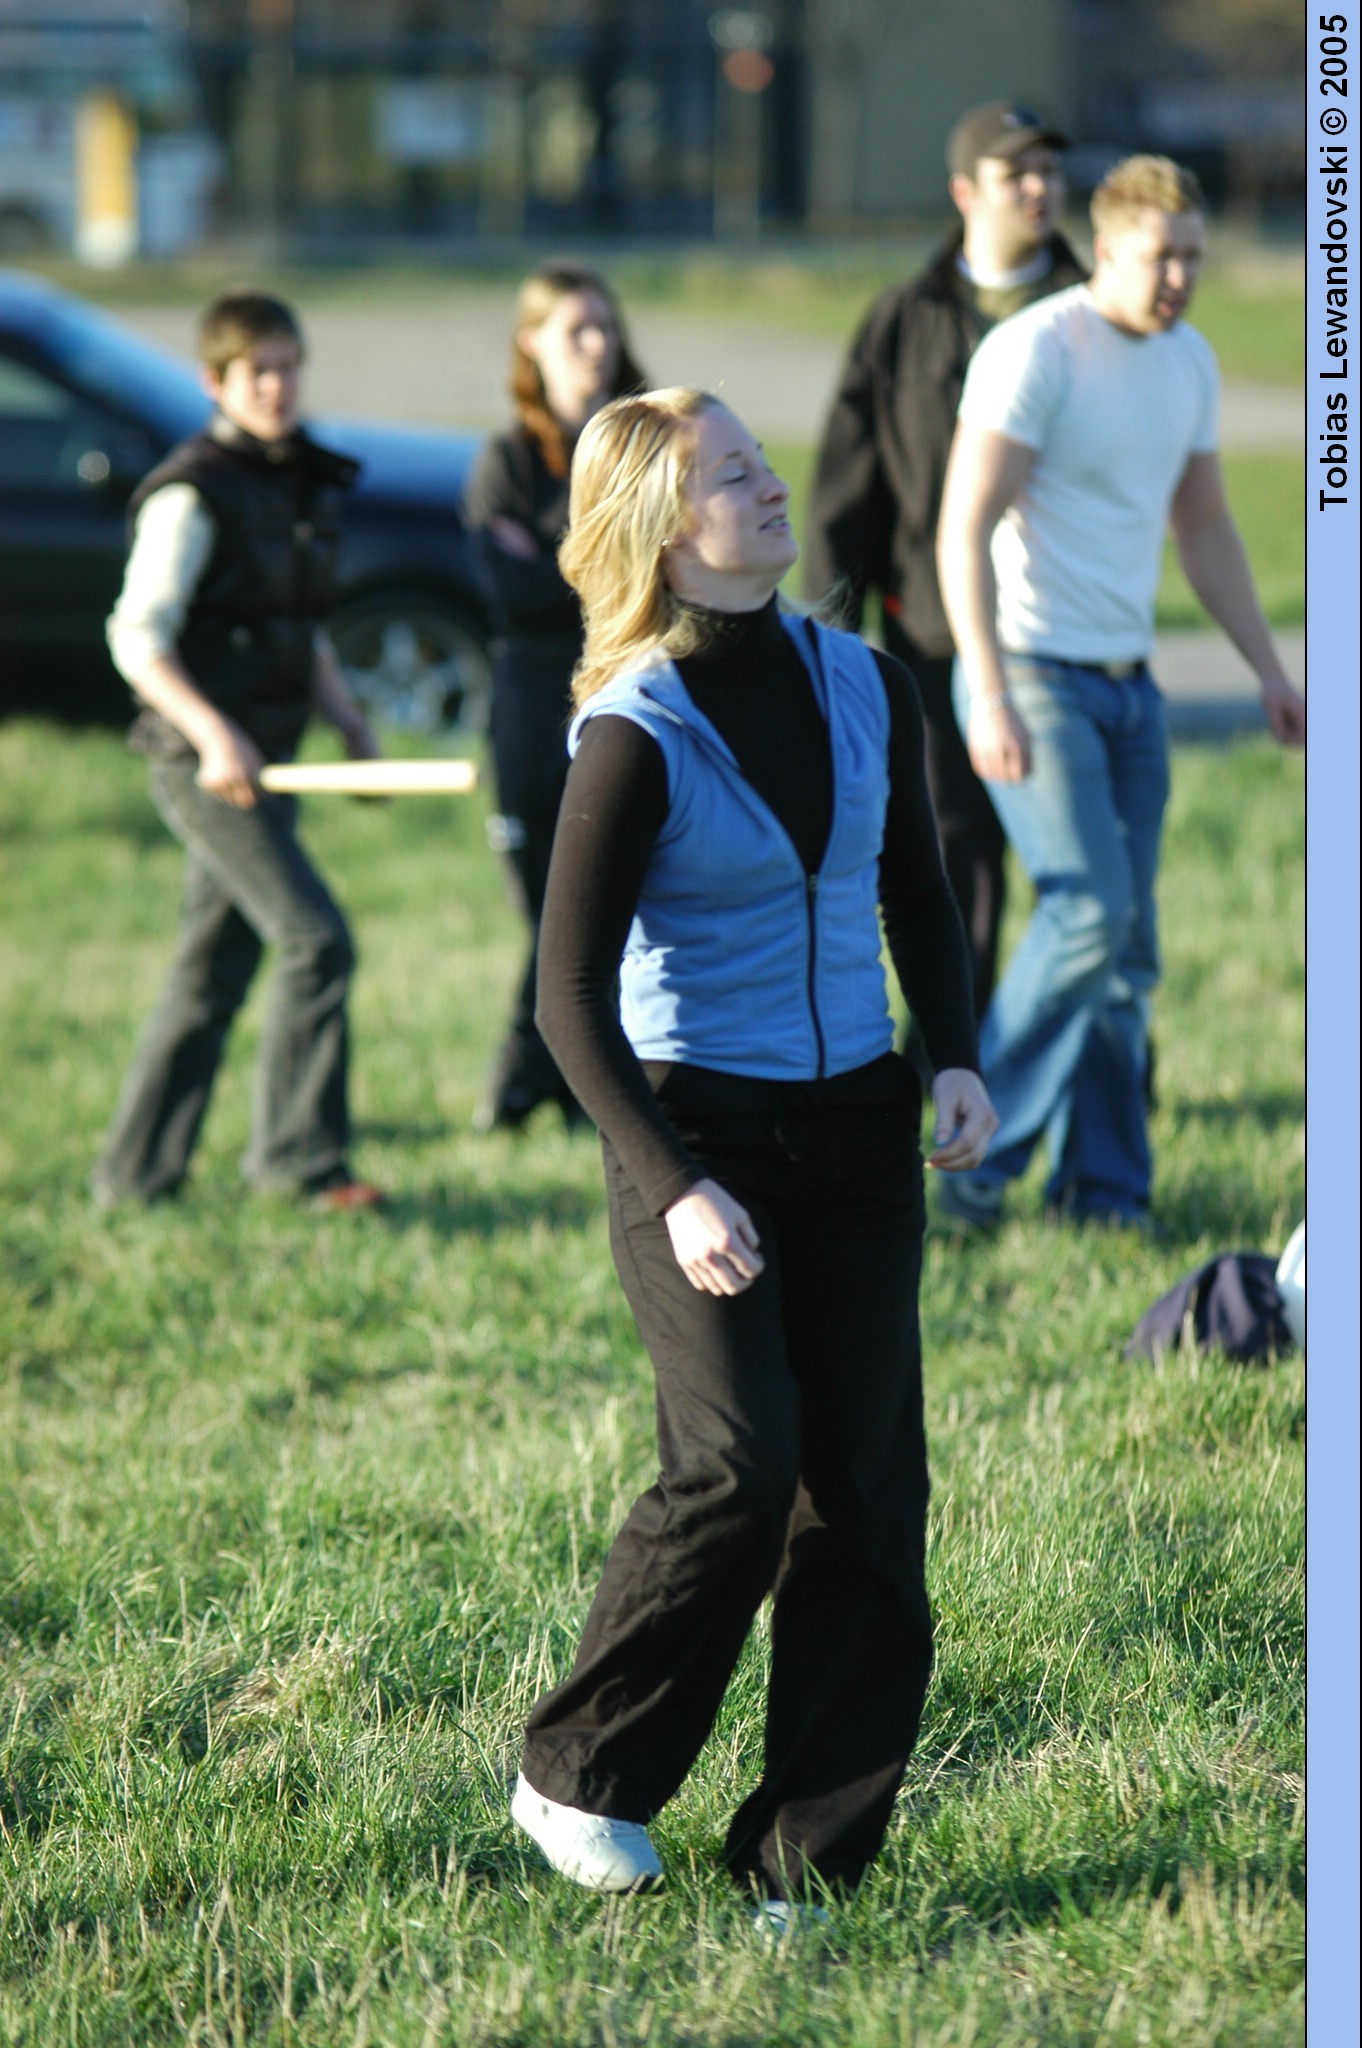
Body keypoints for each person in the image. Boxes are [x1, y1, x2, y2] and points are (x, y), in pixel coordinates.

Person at [507, 388, 996, 1924]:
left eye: (760, 460)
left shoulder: (866, 680)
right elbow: (564, 997)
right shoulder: (634, 730)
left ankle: (804, 1867)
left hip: (857, 1128)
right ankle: (578, 1775)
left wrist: (954, 1053)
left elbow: (916, 888)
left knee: (865, 1498)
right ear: (664, 527)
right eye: (732, 473)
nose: (770, 485)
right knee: (736, 1463)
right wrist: (674, 1186)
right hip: (695, 1135)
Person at [935, 155, 1305, 1233]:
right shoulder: (1036, 350)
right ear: (1106, 249)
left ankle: (1104, 1192)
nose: (1180, 277)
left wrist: (1269, 669)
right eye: (1160, 257)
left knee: (1127, 946)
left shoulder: (1189, 361)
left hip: (1131, 687)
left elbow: (1205, 527)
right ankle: (973, 1161)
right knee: (1088, 907)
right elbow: (963, 527)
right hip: (1029, 670)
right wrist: (988, 690)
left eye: (1194, 256)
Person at [91, 289, 384, 1211]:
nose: (277, 387)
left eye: (289, 367)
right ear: (215, 381)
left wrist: (349, 722)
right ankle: (301, 1165)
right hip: (204, 766)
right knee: (315, 941)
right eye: (258, 371)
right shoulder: (191, 493)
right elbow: (136, 638)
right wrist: (214, 734)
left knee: (211, 973)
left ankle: (133, 1178)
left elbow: (298, 625)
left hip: (270, 759)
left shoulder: (295, 478)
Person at [806, 102, 1085, 1044]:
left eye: (1051, 170)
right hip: (932, 640)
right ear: (966, 192)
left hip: (1063, 638)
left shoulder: (1094, 311)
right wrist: (834, 651)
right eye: (1017, 174)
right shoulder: (903, 321)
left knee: (1084, 877)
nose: (1041, 189)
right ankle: (956, 1071)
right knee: (954, 859)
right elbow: (848, 496)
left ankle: (1097, 1078)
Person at [464, 261, 646, 1130]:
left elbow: (664, 575)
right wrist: (609, 571)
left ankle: (544, 1088)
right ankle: (538, 1081)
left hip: (629, 695)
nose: (596, 345)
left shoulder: (644, 449)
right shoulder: (507, 461)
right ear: (532, 343)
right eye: (577, 330)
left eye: (605, 326)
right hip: (535, 704)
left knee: (614, 904)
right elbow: (511, 591)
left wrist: (558, 568)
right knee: (551, 907)